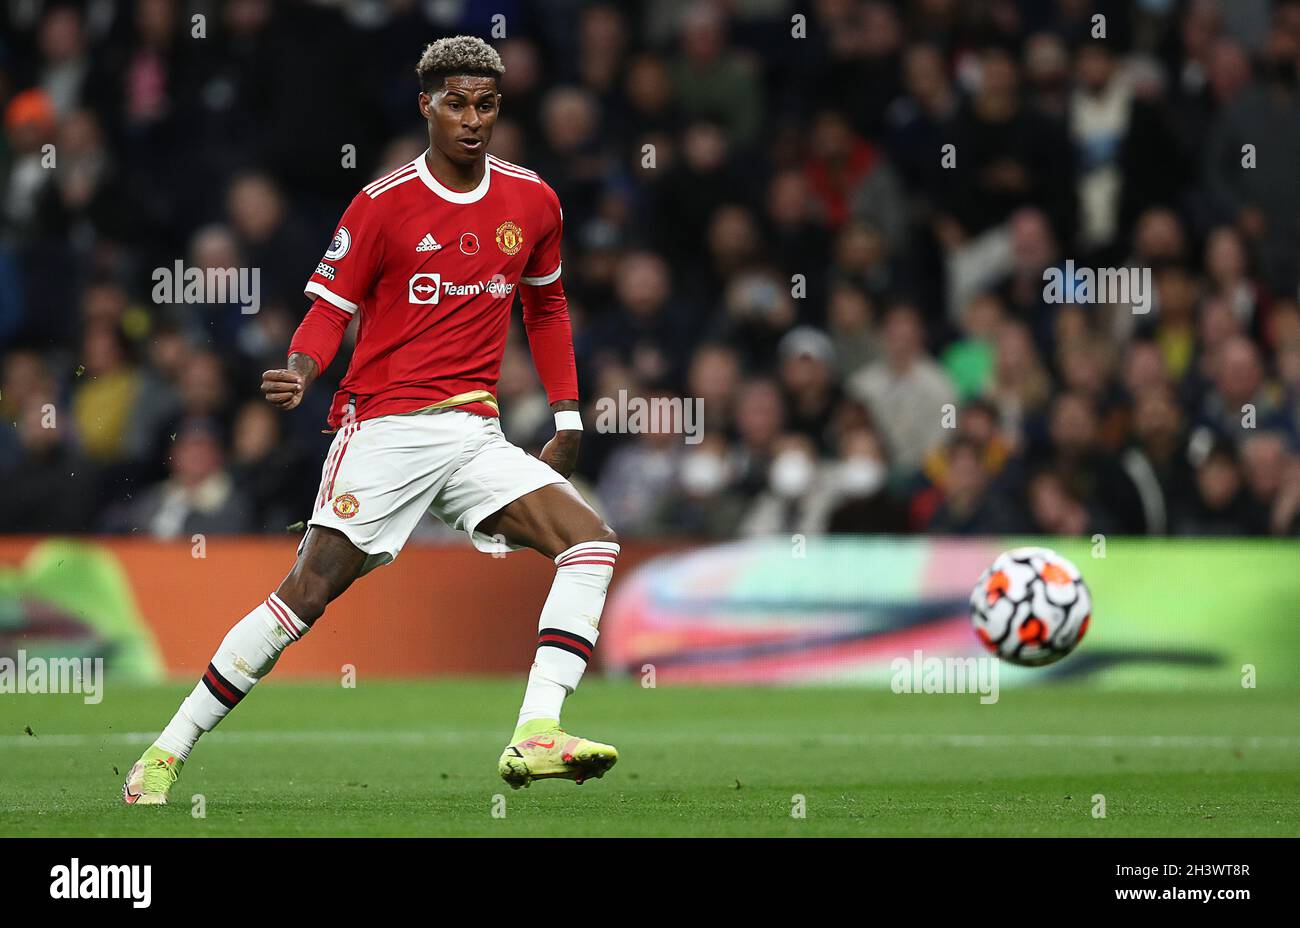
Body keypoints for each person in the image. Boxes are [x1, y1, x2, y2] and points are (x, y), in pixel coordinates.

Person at [123, 36, 620, 804]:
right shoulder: (383, 205)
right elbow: (329, 311)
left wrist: (566, 410)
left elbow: (546, 304)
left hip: (474, 434)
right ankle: (165, 751)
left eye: (486, 103)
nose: (472, 119)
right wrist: (301, 367)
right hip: (384, 428)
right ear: (425, 104)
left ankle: (536, 732)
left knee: (589, 544)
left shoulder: (534, 200)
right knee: (304, 599)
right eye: (455, 102)